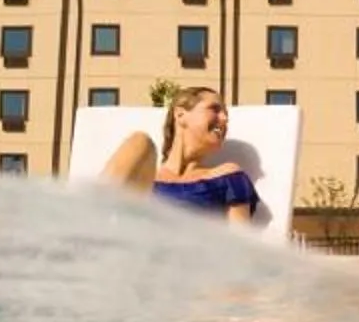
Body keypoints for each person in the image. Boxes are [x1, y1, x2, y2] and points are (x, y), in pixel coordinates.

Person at [100, 86, 264, 227]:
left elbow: (240, 241)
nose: (225, 119)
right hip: (133, 247)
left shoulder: (229, 176)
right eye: (214, 109)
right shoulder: (143, 178)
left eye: (225, 114)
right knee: (140, 141)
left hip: (190, 254)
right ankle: (91, 219)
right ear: (180, 115)